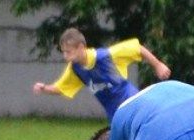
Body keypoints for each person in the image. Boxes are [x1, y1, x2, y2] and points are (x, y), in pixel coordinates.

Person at [32, 28, 171, 122]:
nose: (65, 56)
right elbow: (62, 87)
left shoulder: (106, 56)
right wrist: (45, 88)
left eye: (68, 52)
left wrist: (158, 65)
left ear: (80, 47)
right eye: (63, 52)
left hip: (131, 102)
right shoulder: (75, 69)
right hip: (113, 113)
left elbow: (137, 48)